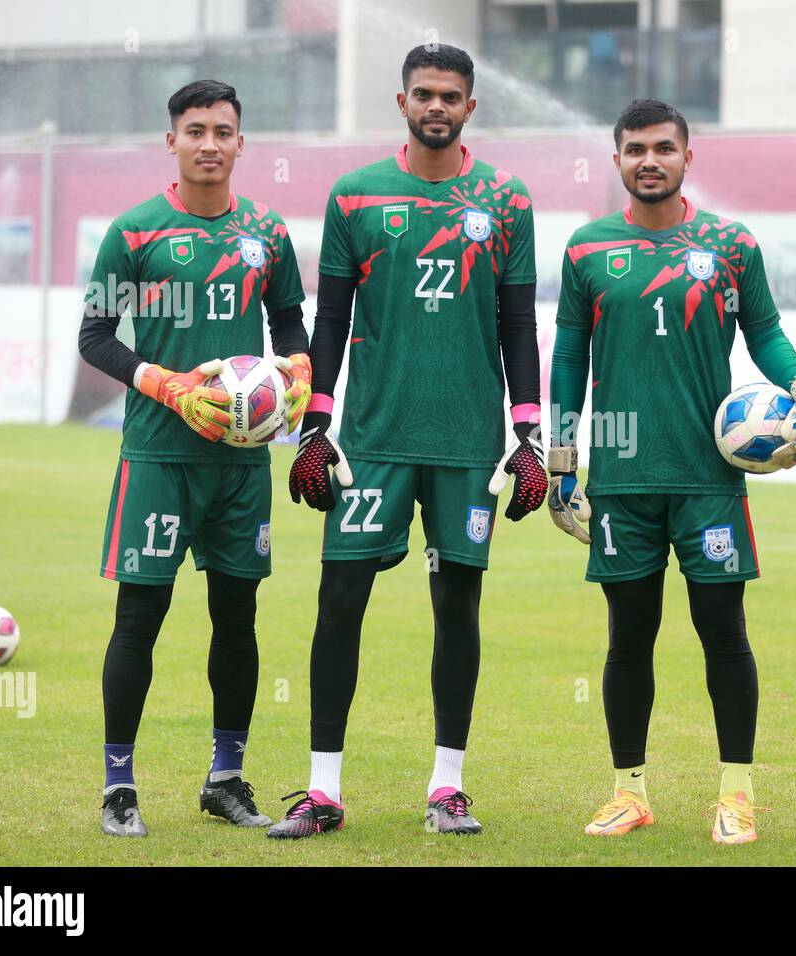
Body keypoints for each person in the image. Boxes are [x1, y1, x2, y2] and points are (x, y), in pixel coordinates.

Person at [269, 44, 546, 839]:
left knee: (457, 605)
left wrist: (527, 432)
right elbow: (330, 318)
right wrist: (317, 420)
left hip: (467, 445)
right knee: (339, 602)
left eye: (450, 96)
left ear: (470, 106)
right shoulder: (355, 197)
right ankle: (324, 792)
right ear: (402, 102)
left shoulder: (507, 199)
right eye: (423, 94)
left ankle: (447, 788)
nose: (436, 106)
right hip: (372, 441)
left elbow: (519, 322)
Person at [548, 99, 796, 845]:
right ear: (616, 161)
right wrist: (563, 455)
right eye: (635, 148)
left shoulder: (730, 246)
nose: (649, 160)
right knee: (627, 637)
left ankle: (736, 794)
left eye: (663, 148)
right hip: (622, 483)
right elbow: (569, 357)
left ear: (686, 157)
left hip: (709, 480)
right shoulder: (586, 251)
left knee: (723, 632)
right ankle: (629, 791)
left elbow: (763, 330)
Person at [78, 79, 311, 837]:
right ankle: (119, 787)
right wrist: (166, 384)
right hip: (157, 456)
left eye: (223, 131)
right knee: (139, 615)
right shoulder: (136, 232)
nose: (209, 142)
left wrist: (299, 379)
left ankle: (226, 778)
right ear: (170, 141)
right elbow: (95, 336)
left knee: (236, 617)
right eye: (195, 130)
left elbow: (291, 332)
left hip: (240, 465)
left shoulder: (268, 235)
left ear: (242, 144)